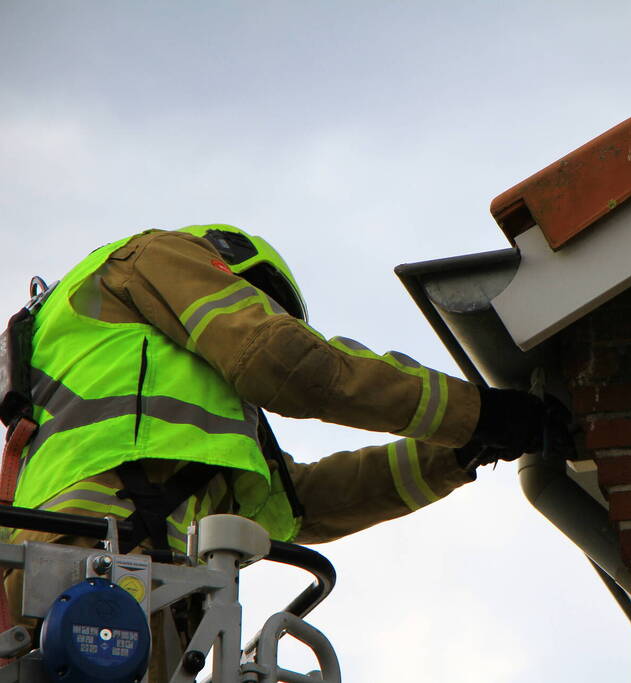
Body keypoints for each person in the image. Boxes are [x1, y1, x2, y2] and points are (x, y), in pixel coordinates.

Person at [1, 224, 548, 679]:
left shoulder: (201, 430)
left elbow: (303, 504)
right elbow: (287, 364)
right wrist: (479, 411)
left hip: (131, 584)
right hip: (90, 558)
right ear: (241, 274)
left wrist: (459, 453)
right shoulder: (158, 256)